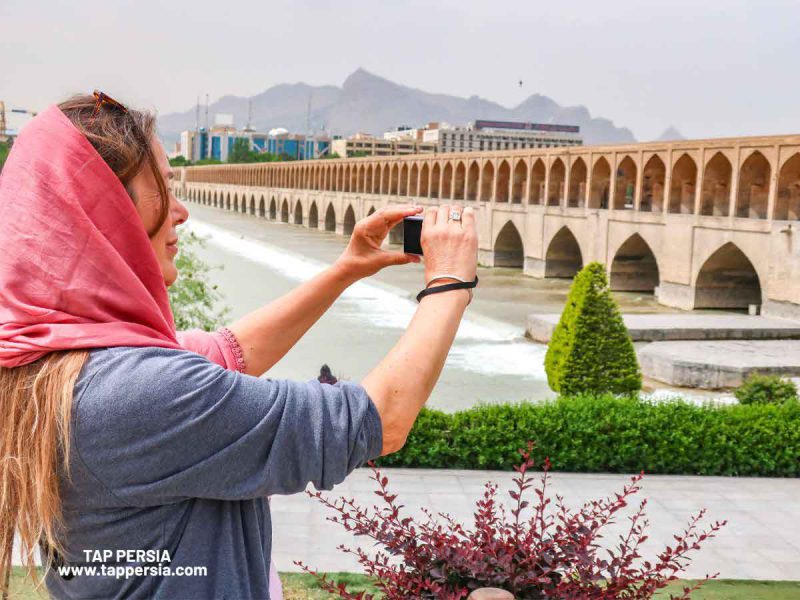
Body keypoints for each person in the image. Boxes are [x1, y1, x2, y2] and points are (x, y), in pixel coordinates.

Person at [0, 92, 478, 599]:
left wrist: (345, 270)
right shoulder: (136, 395)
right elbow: (378, 420)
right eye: (162, 189)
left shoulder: (58, 365)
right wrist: (448, 284)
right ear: (105, 211)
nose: (181, 211)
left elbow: (229, 352)